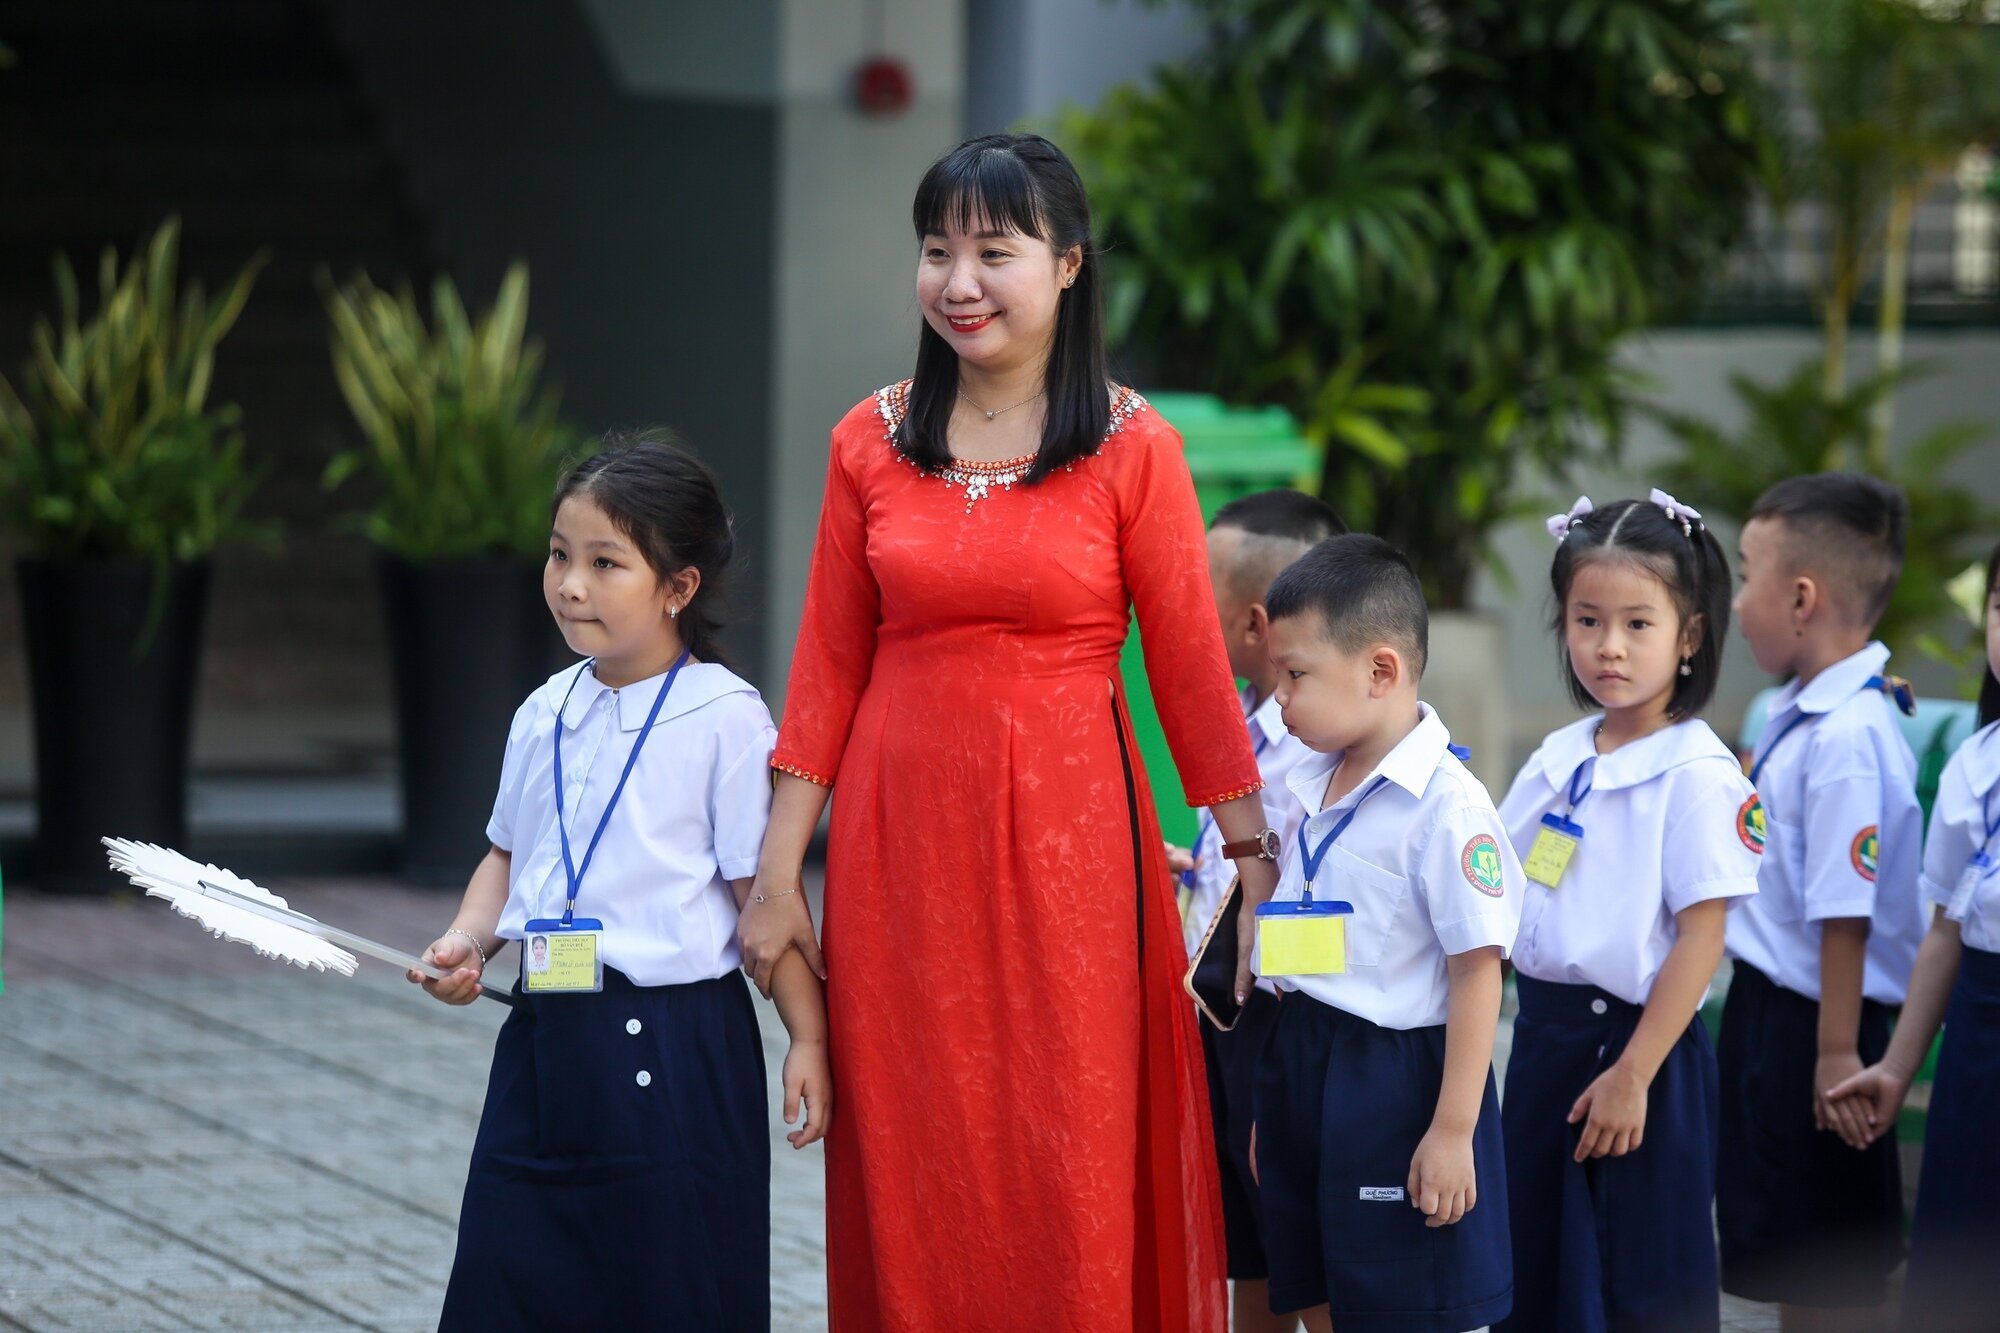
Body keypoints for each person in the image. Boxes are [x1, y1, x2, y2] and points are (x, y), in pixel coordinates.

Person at [737, 132, 1276, 1331]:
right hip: (897, 848)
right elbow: (824, 672)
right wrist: (778, 875)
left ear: (1068, 265)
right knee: (919, 1141)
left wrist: (1251, 863)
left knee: (1065, 1140)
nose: (958, 282)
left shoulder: (1133, 446)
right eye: (936, 252)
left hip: (1077, 854)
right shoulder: (864, 441)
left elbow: (1190, 672)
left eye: (994, 250)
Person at [411, 437, 831, 1331]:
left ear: (678, 586)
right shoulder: (543, 709)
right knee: (506, 1282)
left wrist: (808, 1036)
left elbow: (764, 897)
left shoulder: (723, 715)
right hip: (545, 1036)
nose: (571, 583)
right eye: (561, 554)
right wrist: (469, 940)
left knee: (668, 1296)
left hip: (673, 1051)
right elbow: (506, 857)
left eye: (607, 563)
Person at [1493, 491, 1759, 1333]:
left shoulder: (1700, 774)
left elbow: (1702, 936)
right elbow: (1494, 878)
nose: (1607, 647)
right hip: (1545, 1044)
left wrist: (1634, 1074)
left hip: (1639, 1051)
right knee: (1537, 1270)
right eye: (1586, 620)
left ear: (1690, 635)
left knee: (1632, 1282)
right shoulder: (1560, 755)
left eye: (1638, 624)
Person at [1249, 534, 1520, 1333]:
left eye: (1296, 675)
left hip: (1393, 1079)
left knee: (1400, 1295)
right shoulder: (1317, 777)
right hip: (1307, 1051)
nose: (1282, 700)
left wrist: (1452, 1129)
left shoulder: (1448, 806)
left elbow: (1479, 973)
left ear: (1381, 671)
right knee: (1321, 1280)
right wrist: (1283, 1108)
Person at [1717, 472, 1924, 1331]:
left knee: (1827, 1264)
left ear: (1801, 597)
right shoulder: (1803, 711)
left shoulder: (1845, 735)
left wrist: (1836, 1055)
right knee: (1796, 1252)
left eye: (1744, 573)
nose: (1734, 603)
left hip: (1815, 1025)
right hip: (1780, 1012)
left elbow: (1846, 912)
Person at [1167, 488, 1343, 1333]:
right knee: (1250, 1247)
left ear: (1253, 625)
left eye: (1194, 593)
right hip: (1224, 1019)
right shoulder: (1234, 715)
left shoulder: (1321, 741)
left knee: (1304, 1251)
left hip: (1286, 1019)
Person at [1826, 538, 2000, 1332]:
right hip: (1980, 1036)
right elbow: (1946, 930)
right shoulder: (1977, 761)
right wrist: (1896, 1067)